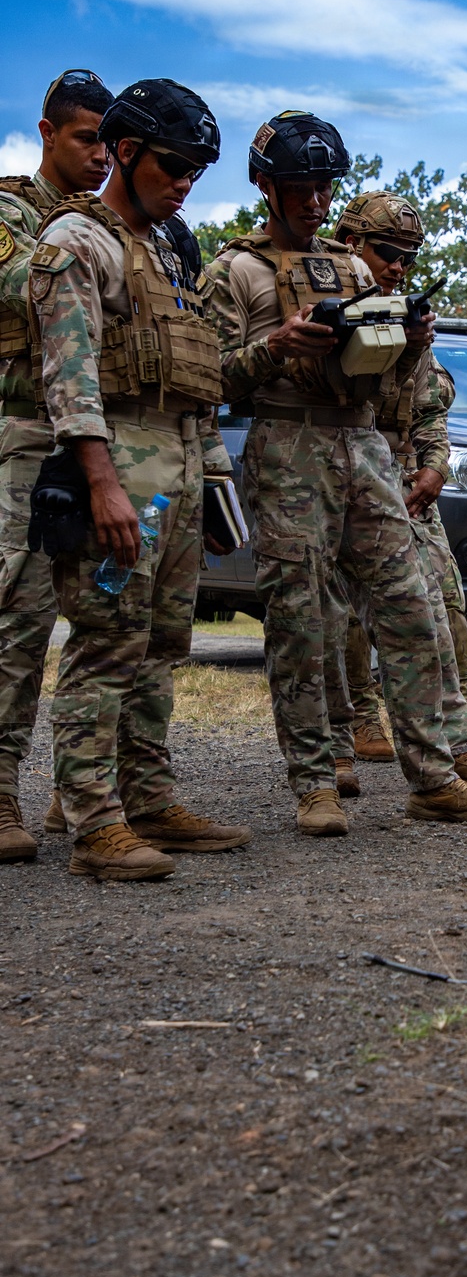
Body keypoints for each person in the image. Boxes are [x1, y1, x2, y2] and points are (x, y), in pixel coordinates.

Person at [204, 113, 467, 833]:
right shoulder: (234, 272)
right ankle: (314, 782)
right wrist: (278, 345)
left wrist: (409, 343)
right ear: (265, 185)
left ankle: (433, 775)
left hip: (365, 445)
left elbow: (389, 385)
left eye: (323, 187)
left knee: (410, 608)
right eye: (299, 187)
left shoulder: (350, 270)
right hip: (287, 446)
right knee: (299, 619)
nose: (313, 200)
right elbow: (211, 380)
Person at [29, 77, 252, 881]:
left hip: (178, 465)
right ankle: (93, 822)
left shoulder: (166, 249)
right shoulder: (79, 244)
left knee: (161, 642)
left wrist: (211, 482)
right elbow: (69, 376)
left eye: (197, 169)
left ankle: (149, 798)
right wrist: (102, 484)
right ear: (126, 151)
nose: (185, 182)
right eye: (173, 165)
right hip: (118, 457)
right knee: (106, 638)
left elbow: (195, 373)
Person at [333, 189, 467, 765]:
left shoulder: (408, 318)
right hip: (345, 473)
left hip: (407, 477)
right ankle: (359, 719)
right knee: (345, 611)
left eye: (409, 256)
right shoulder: (331, 306)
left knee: (444, 598)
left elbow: (430, 407)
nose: (398, 266)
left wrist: (435, 467)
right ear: (350, 244)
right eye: (387, 251)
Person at [0, 68, 114, 861]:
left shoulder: (122, 226)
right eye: (85, 139)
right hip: (31, 433)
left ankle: (78, 796)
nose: (101, 156)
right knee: (20, 616)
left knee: (111, 621)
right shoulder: (12, 212)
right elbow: (23, 287)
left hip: (109, 435)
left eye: (111, 142)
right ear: (46, 134)